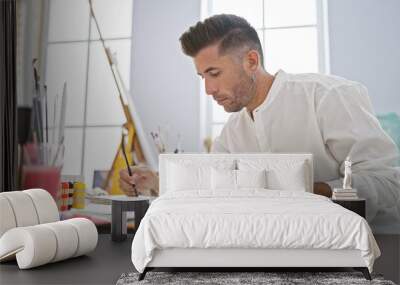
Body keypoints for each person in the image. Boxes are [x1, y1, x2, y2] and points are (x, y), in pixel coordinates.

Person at [120, 14, 400, 224]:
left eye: (214, 73)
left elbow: (388, 185)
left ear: (251, 61)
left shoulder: (328, 96)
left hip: (369, 251)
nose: (208, 89)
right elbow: (210, 191)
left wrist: (303, 190)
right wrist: (156, 183)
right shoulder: (232, 134)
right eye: (202, 76)